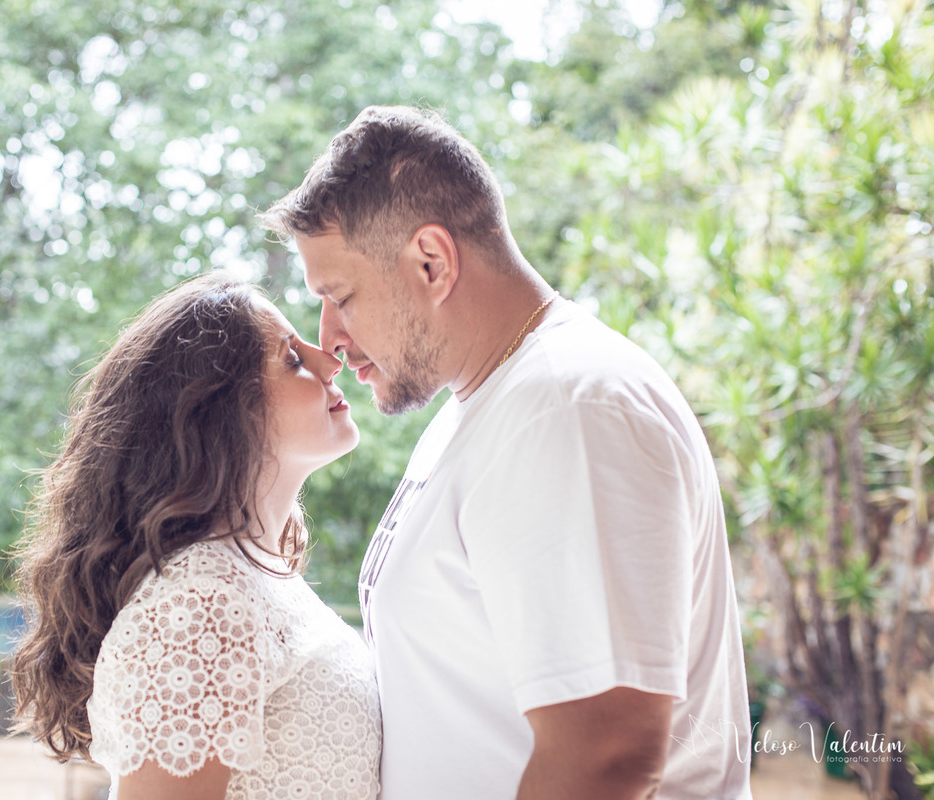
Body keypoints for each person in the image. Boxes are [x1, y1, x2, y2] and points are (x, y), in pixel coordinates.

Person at [259, 106, 752, 800]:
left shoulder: (568, 409)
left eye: (341, 297)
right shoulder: (486, 406)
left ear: (431, 262)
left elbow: (606, 750)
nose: (330, 337)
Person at [9, 274, 381, 800]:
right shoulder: (204, 601)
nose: (329, 362)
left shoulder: (256, 579)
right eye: (292, 360)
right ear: (218, 414)